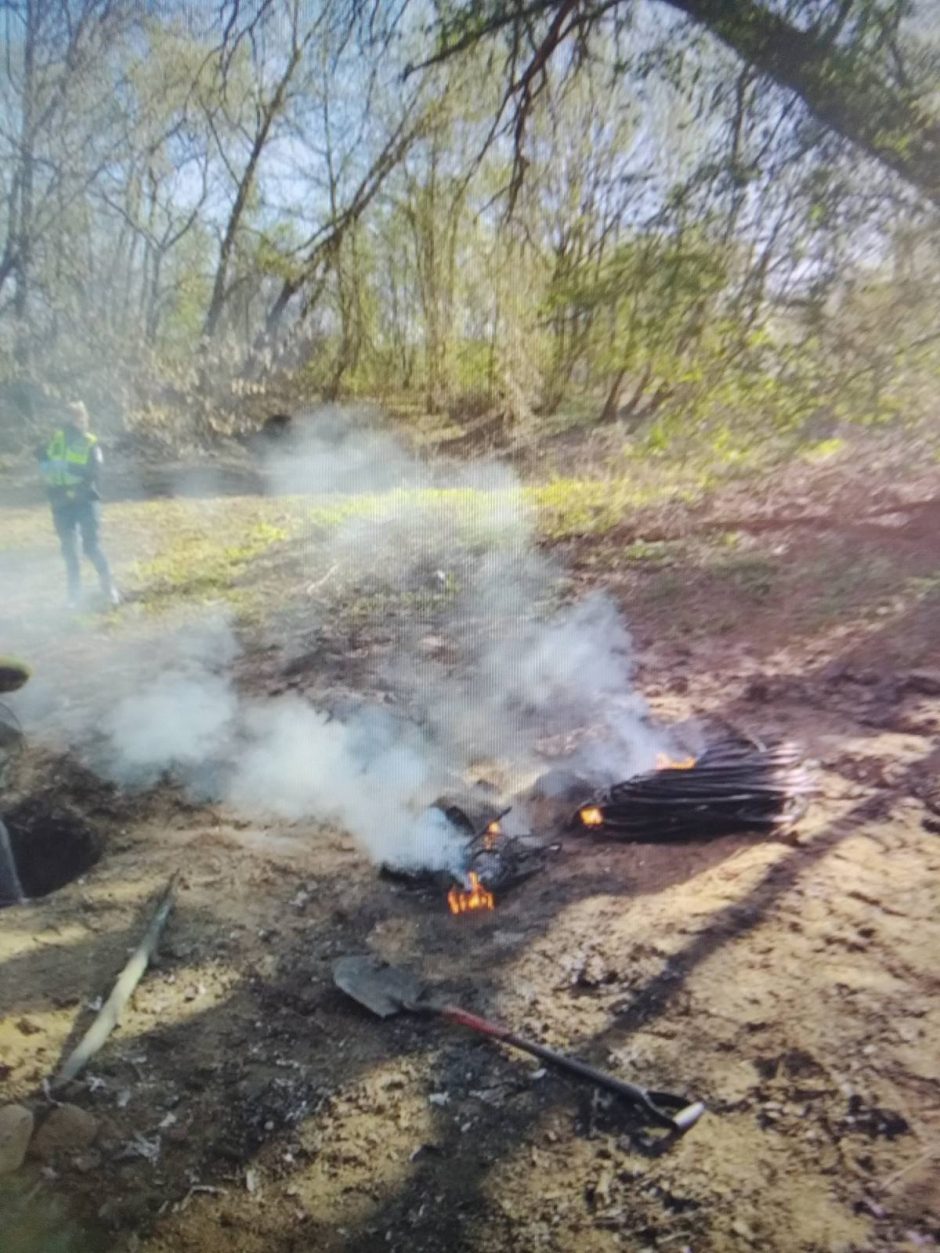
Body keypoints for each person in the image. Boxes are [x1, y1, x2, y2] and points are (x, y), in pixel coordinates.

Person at [38, 401, 120, 608]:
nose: (70, 422)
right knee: (69, 551)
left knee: (91, 547)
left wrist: (69, 468)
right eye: (66, 417)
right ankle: (74, 596)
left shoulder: (89, 442)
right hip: (60, 502)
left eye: (75, 417)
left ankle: (108, 589)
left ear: (82, 419)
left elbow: (94, 472)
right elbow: (45, 463)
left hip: (84, 500)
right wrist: (43, 459)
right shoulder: (54, 442)